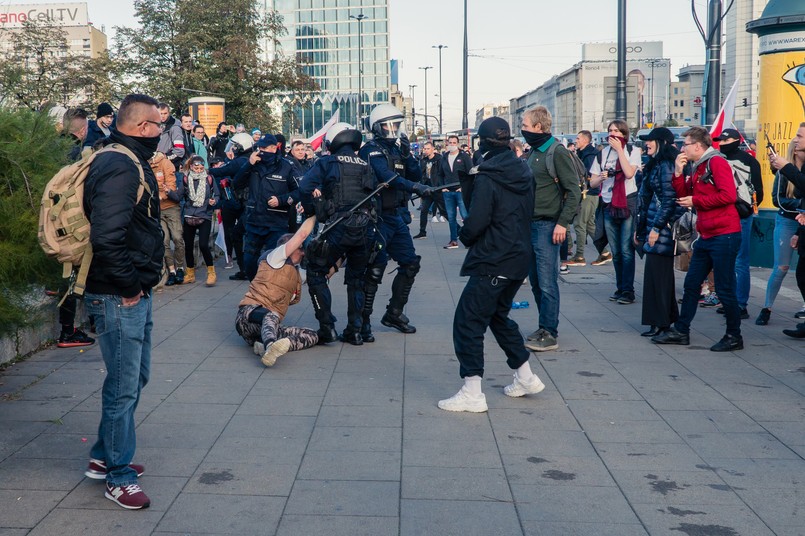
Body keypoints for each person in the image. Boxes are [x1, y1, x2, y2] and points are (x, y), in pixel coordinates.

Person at [82, 93, 164, 509]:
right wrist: (131, 287)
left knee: (133, 379)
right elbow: (106, 237)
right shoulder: (118, 163)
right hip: (118, 295)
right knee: (122, 387)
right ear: (141, 128)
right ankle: (117, 474)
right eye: (158, 125)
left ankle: (102, 455)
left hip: (129, 290)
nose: (162, 132)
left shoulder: (123, 157)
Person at [438, 117, 543, 413]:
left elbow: (478, 219)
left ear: (482, 143)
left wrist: (464, 234)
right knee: (497, 316)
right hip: (519, 255)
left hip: (495, 257)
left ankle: (472, 392)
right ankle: (525, 377)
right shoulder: (522, 168)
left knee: (468, 321)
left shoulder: (488, 175)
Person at [652, 126, 743, 352]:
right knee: (692, 284)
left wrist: (697, 201)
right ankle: (682, 331)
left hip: (725, 234)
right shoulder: (697, 165)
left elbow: (728, 196)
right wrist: (677, 172)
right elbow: (684, 195)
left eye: (686, 144)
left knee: (724, 288)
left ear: (698, 146)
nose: (682, 148)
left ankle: (734, 335)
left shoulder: (716, 163)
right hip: (707, 234)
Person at [299, 123, 378, 344]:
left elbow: (305, 187)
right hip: (365, 228)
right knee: (357, 279)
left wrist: (312, 208)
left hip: (339, 227)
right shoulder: (365, 164)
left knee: (315, 271)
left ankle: (327, 327)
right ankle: (355, 330)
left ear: (333, 141)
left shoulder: (327, 162)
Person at [359, 104, 428, 341]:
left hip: (396, 217)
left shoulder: (398, 150)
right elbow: (385, 176)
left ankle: (394, 313)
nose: (394, 129)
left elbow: (416, 175)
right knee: (374, 270)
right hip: (377, 217)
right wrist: (414, 187)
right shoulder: (370, 149)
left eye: (396, 125)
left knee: (410, 263)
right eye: (389, 125)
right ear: (377, 127)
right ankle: (363, 321)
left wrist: (409, 158)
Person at [520, 106, 581, 352]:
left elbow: (574, 191)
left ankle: (550, 332)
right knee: (536, 282)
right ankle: (543, 325)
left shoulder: (556, 152)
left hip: (548, 226)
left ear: (538, 127)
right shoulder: (534, 152)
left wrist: (562, 224)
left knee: (547, 282)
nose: (522, 130)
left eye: (525, 125)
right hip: (531, 225)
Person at [235, 217, 319, 365]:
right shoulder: (274, 257)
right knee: (271, 315)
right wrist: (315, 214)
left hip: (268, 328)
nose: (303, 252)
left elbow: (325, 273)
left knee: (311, 335)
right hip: (248, 317)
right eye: (300, 248)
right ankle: (270, 347)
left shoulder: (297, 272)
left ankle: (269, 344)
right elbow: (302, 234)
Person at [634, 127, 686, 337]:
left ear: (662, 142)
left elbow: (668, 199)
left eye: (651, 140)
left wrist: (656, 228)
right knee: (657, 275)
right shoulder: (658, 164)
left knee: (659, 275)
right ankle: (662, 320)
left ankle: (661, 322)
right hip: (655, 224)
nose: (647, 144)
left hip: (661, 227)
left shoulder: (665, 165)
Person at [589, 120, 643, 304]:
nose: (613, 134)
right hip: (607, 203)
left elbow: (629, 173)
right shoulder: (602, 154)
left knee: (626, 249)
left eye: (617, 131)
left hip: (627, 201)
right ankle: (620, 288)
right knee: (616, 250)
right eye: (610, 130)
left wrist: (620, 150)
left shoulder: (633, 151)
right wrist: (601, 177)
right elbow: (592, 183)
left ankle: (628, 290)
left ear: (624, 134)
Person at [55, 108, 95, 348]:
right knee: (74, 273)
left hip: (51, 222)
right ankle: (68, 331)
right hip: (71, 223)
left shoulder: (50, 147)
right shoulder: (76, 154)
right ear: (83, 130)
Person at [233, 133, 297, 280]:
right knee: (249, 262)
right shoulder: (253, 164)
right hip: (254, 221)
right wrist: (248, 164)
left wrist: (281, 200)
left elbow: (298, 191)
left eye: (264, 148)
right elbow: (236, 183)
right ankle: (256, 291)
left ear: (274, 148)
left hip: (276, 223)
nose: (261, 151)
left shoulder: (286, 166)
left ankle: (267, 295)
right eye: (259, 147)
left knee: (272, 263)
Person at [758, 131, 805, 325]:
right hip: (788, 220)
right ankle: (767, 307)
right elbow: (778, 200)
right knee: (782, 267)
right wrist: (801, 205)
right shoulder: (785, 170)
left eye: (799, 137)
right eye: (795, 138)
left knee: (802, 270)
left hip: (802, 221)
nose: (795, 140)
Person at [717, 128, 763, 320]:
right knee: (731, 261)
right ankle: (732, 302)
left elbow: (758, 191)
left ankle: (740, 304)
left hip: (739, 216)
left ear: (736, 140)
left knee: (739, 261)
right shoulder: (719, 159)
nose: (722, 144)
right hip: (731, 215)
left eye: (726, 140)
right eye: (720, 141)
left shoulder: (748, 160)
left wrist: (746, 209)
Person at [210, 132, 254, 280]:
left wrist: (205, 171)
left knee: (238, 235)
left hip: (246, 203)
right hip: (250, 203)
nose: (232, 149)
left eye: (235, 146)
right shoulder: (251, 158)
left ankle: (245, 270)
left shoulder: (240, 161)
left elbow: (221, 171)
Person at [568, 130, 610, 266]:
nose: (576, 140)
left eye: (578, 138)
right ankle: (604, 253)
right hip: (588, 193)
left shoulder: (590, 155)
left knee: (579, 224)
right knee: (590, 224)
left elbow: (588, 174)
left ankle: (579, 256)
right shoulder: (583, 153)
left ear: (586, 140)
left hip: (589, 193)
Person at [180, 156, 220, 286]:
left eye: (201, 168)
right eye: (196, 168)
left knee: (203, 245)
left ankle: (211, 272)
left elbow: (217, 195)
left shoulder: (209, 178)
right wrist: (167, 191)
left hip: (205, 215)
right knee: (188, 246)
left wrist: (214, 201)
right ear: (191, 167)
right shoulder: (186, 179)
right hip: (189, 215)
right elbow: (179, 195)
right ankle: (190, 273)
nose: (199, 170)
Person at [149, 149, 184, 286]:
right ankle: (172, 271)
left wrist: (161, 196)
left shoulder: (165, 163)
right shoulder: (146, 165)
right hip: (158, 210)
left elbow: (171, 185)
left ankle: (180, 267)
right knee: (164, 241)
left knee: (177, 238)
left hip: (171, 207)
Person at [440, 135, 473, 249]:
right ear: (447, 143)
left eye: (454, 142)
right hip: (447, 192)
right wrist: (443, 187)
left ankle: (470, 239)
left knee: (465, 216)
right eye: (450, 142)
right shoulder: (444, 157)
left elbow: (471, 172)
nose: (452, 144)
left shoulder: (464, 156)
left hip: (460, 191)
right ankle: (453, 240)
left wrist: (464, 187)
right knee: (451, 217)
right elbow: (440, 174)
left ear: (458, 144)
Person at [413, 141, 446, 240]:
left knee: (444, 212)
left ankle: (458, 230)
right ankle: (422, 232)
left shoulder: (439, 159)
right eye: (425, 149)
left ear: (432, 149)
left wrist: (443, 187)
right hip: (427, 189)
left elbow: (443, 173)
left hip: (437, 189)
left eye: (428, 149)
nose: (426, 151)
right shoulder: (423, 160)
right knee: (424, 211)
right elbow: (421, 173)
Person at [156, 103, 185, 171]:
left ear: (169, 113)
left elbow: (180, 150)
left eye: (165, 113)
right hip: (157, 165)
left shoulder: (175, 127)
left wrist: (165, 156)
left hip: (170, 166)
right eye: (161, 113)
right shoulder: (155, 125)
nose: (163, 116)